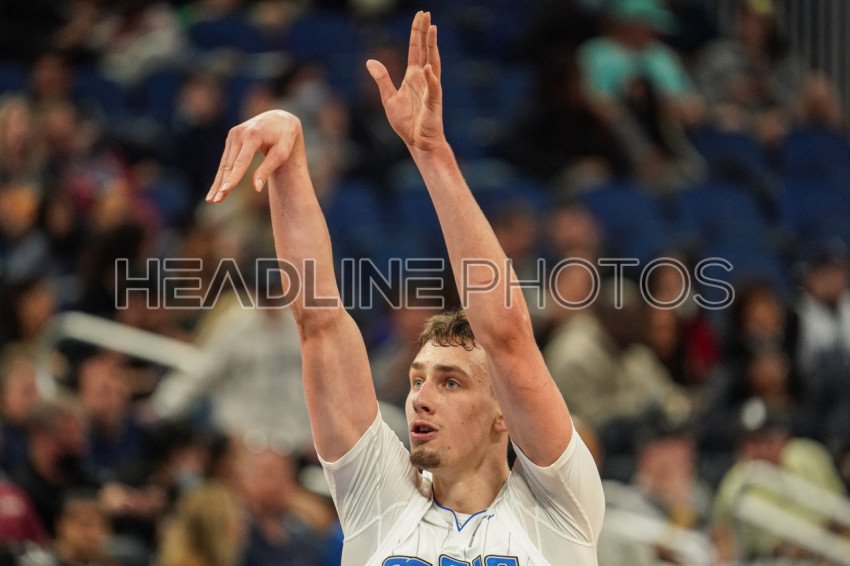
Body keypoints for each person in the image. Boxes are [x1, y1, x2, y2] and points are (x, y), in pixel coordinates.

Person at [205, 11, 604, 566]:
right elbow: (320, 323)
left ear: (503, 413)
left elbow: (507, 336)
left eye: (450, 382)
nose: (421, 397)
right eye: (419, 380)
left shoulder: (559, 509)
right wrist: (290, 163)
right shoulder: (379, 501)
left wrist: (431, 153)